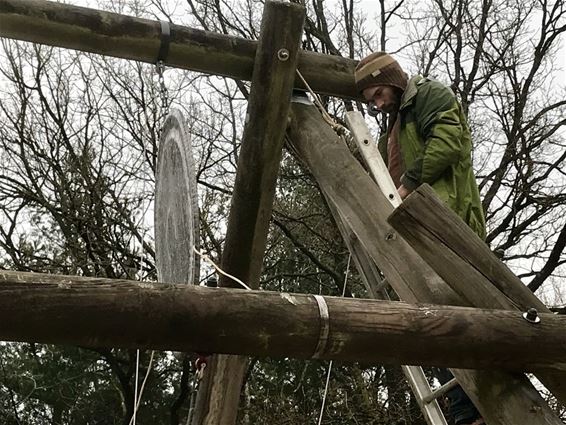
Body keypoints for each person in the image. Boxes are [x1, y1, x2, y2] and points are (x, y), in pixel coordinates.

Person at [354, 52, 486, 425]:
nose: (377, 105)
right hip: (418, 230)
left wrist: (408, 184)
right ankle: (465, 407)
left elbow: (450, 142)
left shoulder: (430, 96)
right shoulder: (394, 124)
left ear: (393, 80)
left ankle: (473, 408)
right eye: (371, 101)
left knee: (458, 314)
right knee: (432, 321)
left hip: (448, 223)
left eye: (378, 94)